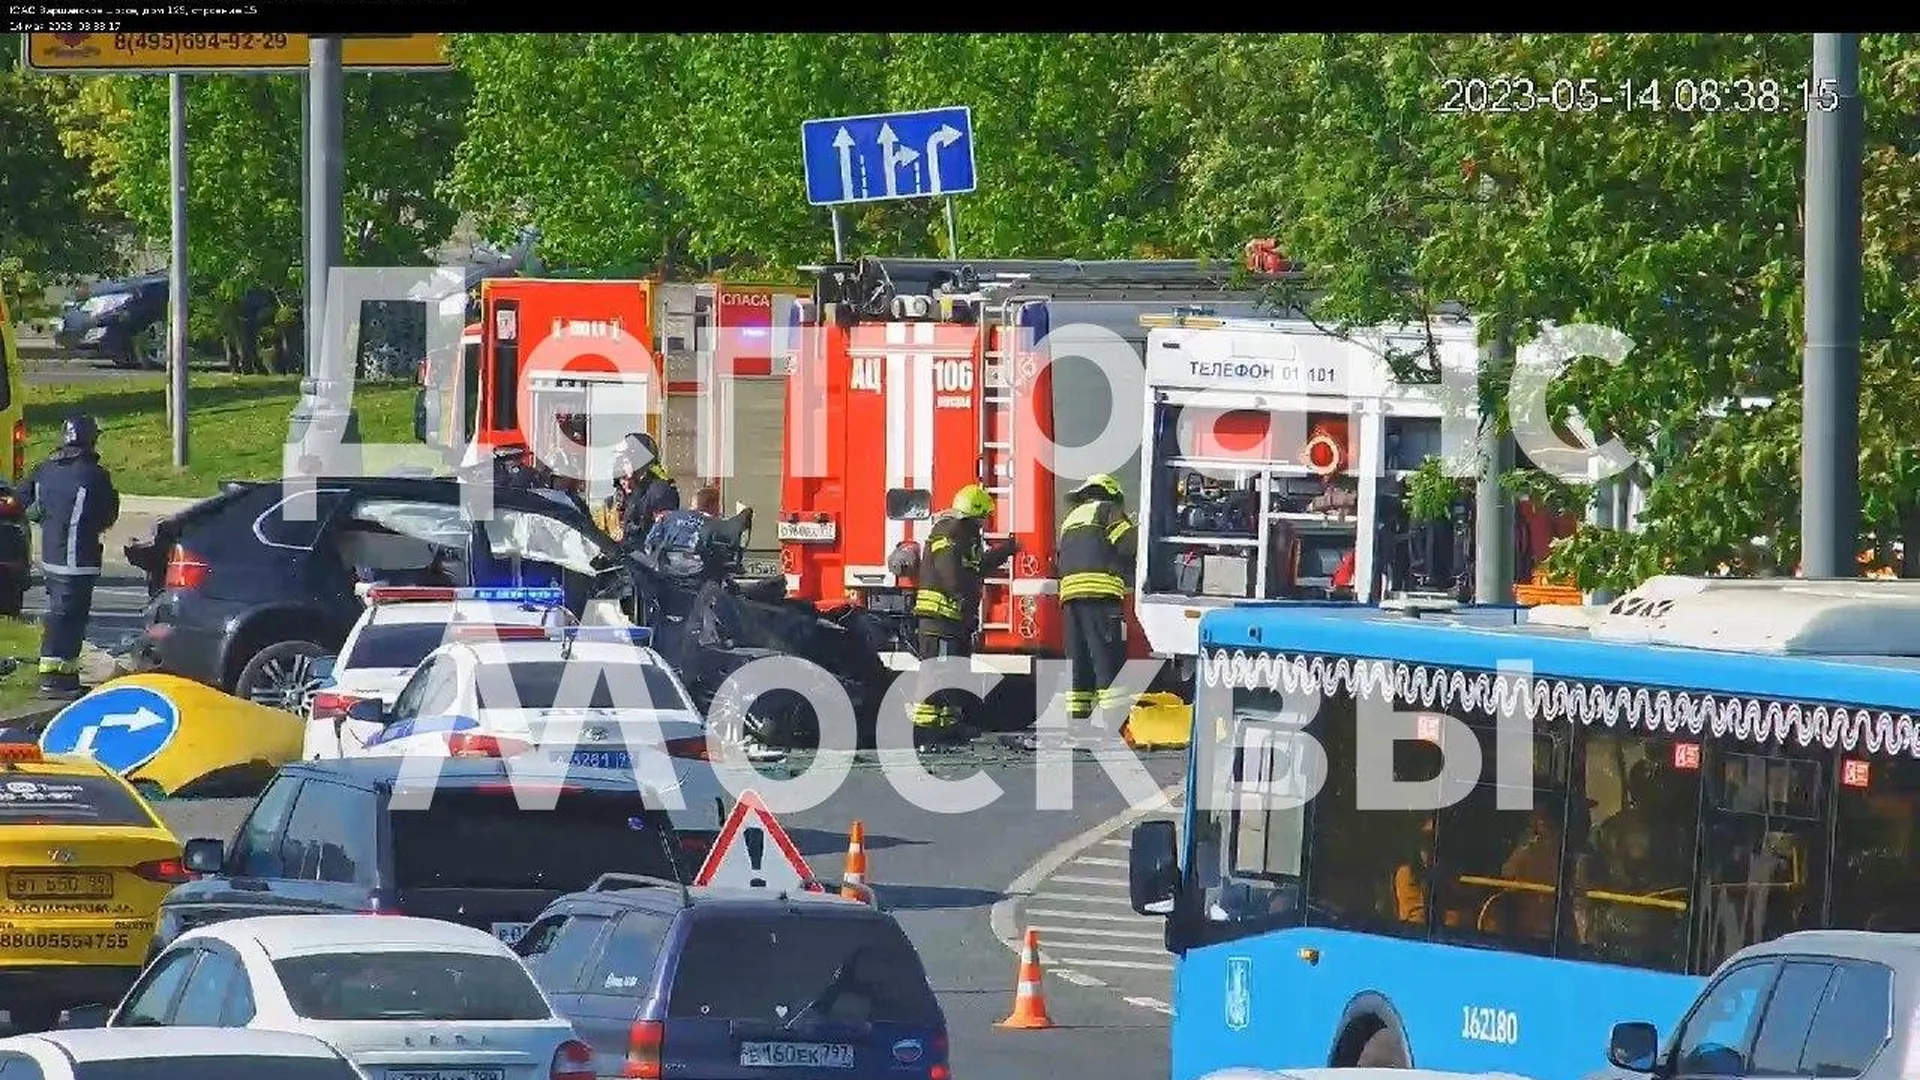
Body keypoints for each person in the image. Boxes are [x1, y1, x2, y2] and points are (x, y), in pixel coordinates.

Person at [1032, 473, 1136, 748]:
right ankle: (1116, 728)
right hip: (1100, 597)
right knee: (1106, 661)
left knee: (1079, 665)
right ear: (1110, 494)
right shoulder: (1108, 511)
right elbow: (1130, 545)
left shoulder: (1072, 519)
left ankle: (1079, 728)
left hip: (1070, 600)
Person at [908, 484, 1015, 748]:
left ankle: (946, 726)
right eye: (983, 516)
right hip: (940, 618)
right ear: (974, 513)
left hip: (953, 619)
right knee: (938, 673)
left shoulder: (965, 535)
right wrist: (962, 598)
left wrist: (1008, 549)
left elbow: (978, 567)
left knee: (952, 673)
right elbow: (950, 570)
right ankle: (925, 729)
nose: (984, 522)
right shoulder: (950, 531)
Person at [20, 415, 119, 698]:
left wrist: (49, 520)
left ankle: (64, 676)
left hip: (51, 559)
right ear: (90, 439)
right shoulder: (95, 475)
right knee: (69, 620)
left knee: (59, 615)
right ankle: (55, 682)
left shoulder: (45, 469)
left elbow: (25, 504)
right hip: (80, 561)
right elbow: (107, 515)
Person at [619, 432, 679, 541]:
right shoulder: (634, 488)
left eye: (625, 457)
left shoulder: (660, 491)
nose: (622, 462)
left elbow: (663, 534)